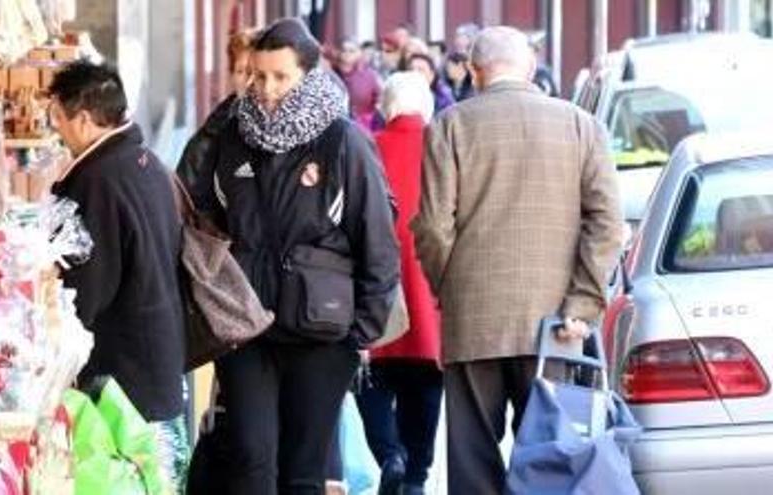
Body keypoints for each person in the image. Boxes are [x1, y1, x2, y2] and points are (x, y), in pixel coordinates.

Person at [410, 26, 623, 495]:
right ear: (530, 67)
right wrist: (582, 304)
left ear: (474, 70)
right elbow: (607, 224)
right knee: (552, 460)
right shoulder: (580, 125)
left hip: (474, 318)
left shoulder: (450, 125)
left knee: (472, 465)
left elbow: (430, 226)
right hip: (556, 325)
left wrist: (453, 284)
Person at [201, 18, 401, 495]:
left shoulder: (343, 141)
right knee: (250, 459)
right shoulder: (231, 139)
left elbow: (377, 237)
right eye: (259, 75)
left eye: (280, 77)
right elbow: (204, 222)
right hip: (247, 328)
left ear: (308, 76)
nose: (266, 89)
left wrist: (361, 333)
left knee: (304, 472)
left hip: (322, 334)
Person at [47, 60, 188, 492]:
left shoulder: (97, 180)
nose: (57, 131)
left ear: (85, 120)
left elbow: (89, 287)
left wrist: (56, 338)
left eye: (58, 119)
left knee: (129, 477)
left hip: (125, 375)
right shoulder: (142, 160)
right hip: (158, 358)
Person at [355, 71, 441, 495]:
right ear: (426, 108)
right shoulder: (442, 149)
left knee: (372, 381)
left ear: (385, 108)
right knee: (425, 383)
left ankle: (389, 454)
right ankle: (417, 475)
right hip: (429, 288)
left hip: (377, 288)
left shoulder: (368, 148)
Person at [177, 28, 256, 209]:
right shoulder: (210, 136)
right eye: (240, 71)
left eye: (255, 72)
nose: (249, 81)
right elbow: (184, 202)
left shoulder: (289, 131)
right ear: (231, 76)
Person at [335, 38, 382, 132]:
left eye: (351, 51)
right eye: (343, 50)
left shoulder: (370, 76)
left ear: (359, 54)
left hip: (364, 128)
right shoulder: (331, 75)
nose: (346, 54)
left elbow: (380, 102)